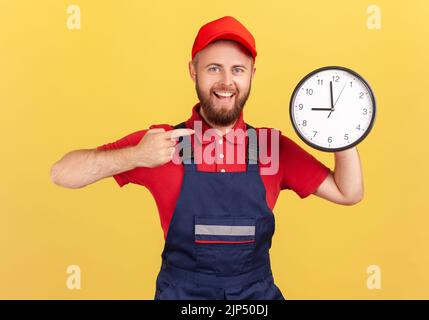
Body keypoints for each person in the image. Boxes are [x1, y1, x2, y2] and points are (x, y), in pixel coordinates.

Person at [50, 16, 364, 300]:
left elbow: (348, 192)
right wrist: (135, 155)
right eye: (214, 68)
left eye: (237, 70)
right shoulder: (162, 142)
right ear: (193, 71)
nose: (226, 82)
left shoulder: (271, 146)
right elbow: (62, 174)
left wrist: (343, 132)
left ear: (251, 75)